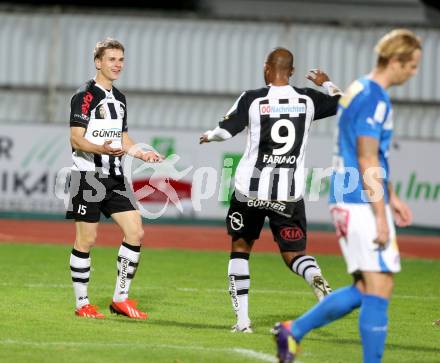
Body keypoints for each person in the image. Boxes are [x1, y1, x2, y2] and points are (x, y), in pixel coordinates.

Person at [273, 29, 421, 363]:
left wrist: (392, 196)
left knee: (367, 289)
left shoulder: (358, 88)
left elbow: (367, 155)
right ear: (395, 61)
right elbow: (367, 158)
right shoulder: (375, 98)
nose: (414, 73)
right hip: (359, 199)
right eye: (411, 66)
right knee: (379, 289)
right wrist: (381, 215)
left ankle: (293, 331)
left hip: (347, 194)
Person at [200, 47, 343, 333]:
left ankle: (242, 322)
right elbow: (342, 103)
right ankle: (313, 274)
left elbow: (226, 130)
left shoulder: (253, 99)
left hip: (249, 192)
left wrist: (209, 136)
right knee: (295, 254)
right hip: (287, 194)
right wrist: (326, 82)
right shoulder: (307, 99)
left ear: (267, 68)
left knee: (240, 248)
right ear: (290, 71)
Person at [67, 38, 162, 319]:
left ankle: (120, 299)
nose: (117, 64)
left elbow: (122, 138)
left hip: (115, 177)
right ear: (98, 62)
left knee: (136, 232)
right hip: (88, 176)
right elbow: (76, 139)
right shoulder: (85, 95)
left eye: (121, 59)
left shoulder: (119, 99)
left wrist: (141, 153)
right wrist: (101, 149)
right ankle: (82, 303)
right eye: (111, 59)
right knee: (87, 240)